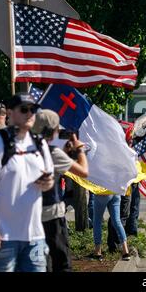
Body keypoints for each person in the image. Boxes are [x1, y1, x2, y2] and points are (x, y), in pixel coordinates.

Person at [0, 93, 54, 272]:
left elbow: (48, 182)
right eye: (24, 109)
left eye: (33, 110)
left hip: (34, 235)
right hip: (3, 235)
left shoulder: (40, 144)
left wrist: (47, 182)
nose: (29, 114)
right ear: (10, 113)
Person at [31, 109, 89, 272]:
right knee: (61, 262)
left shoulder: (24, 149)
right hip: (52, 214)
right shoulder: (53, 153)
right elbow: (83, 171)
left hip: (29, 216)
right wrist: (79, 149)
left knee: (40, 262)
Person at [92, 193, 131, 261]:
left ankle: (98, 251)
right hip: (115, 192)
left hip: (102, 191)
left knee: (97, 221)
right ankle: (125, 251)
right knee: (117, 221)